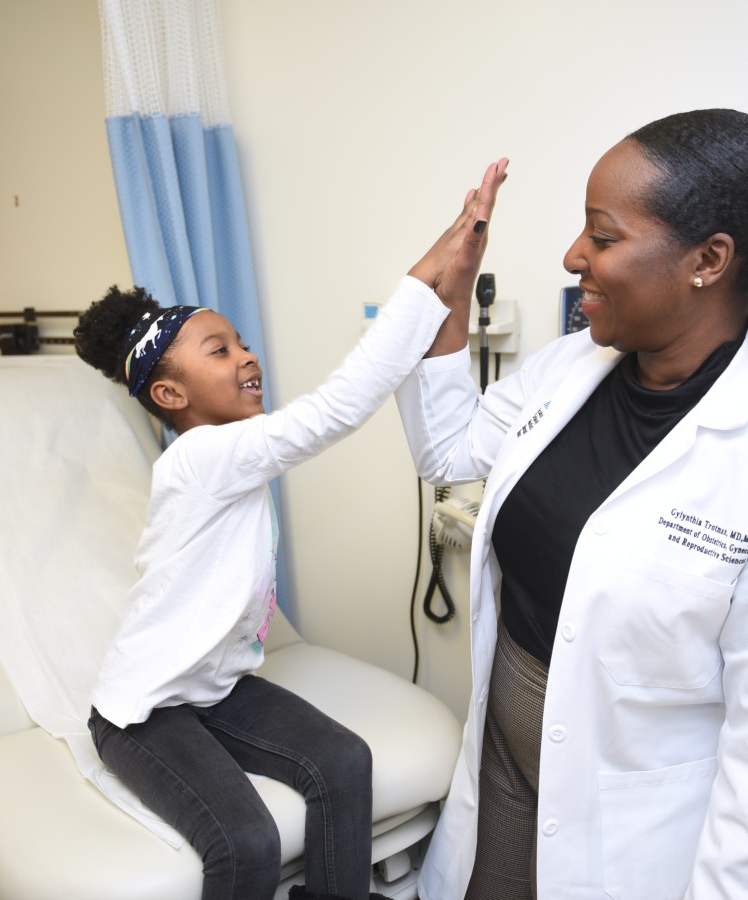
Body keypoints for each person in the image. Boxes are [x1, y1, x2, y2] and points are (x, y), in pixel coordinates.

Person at [395, 109, 748, 900]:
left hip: (633, 837)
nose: (573, 257)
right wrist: (443, 296)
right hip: (502, 763)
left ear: (708, 260)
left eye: (603, 236)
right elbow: (448, 450)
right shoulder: (570, 369)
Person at [73, 157, 508, 900]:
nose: (247, 357)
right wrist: (427, 271)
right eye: (220, 351)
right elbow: (336, 409)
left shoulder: (227, 455)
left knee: (343, 763)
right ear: (170, 392)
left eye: (242, 343)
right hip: (146, 714)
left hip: (216, 690)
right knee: (244, 841)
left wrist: (441, 280)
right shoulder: (202, 458)